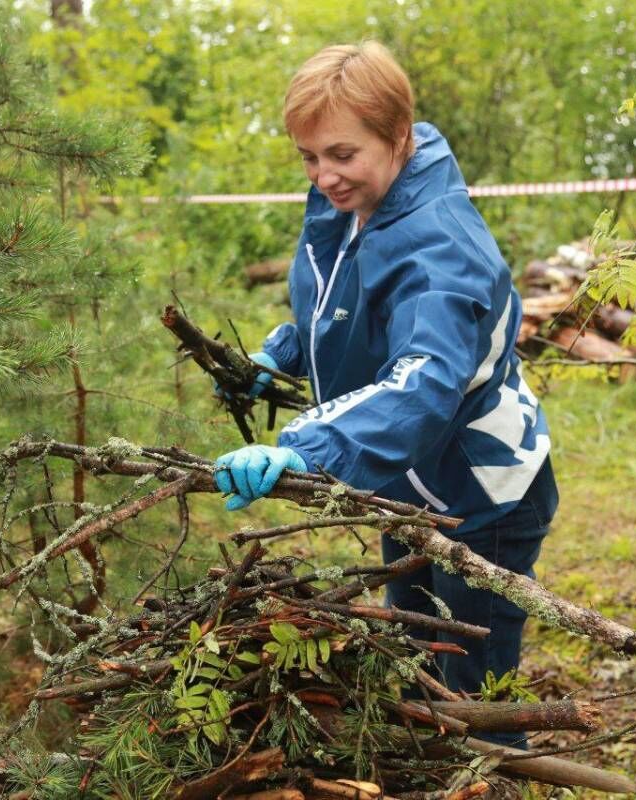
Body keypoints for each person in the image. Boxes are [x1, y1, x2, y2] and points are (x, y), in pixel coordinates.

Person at [213, 41, 558, 746]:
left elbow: (422, 378)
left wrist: (305, 448)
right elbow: (347, 308)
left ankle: (494, 781)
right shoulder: (358, 202)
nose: (324, 175)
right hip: (408, 482)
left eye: (341, 154)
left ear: (397, 136)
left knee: (473, 689)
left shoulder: (442, 247)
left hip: (480, 489)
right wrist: (279, 357)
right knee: (413, 652)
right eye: (309, 157)